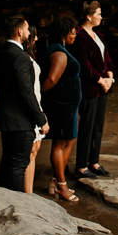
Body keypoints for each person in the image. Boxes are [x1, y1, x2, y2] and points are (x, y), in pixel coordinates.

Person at [0, 14, 49, 192]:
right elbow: (26, 93)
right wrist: (41, 120)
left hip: (6, 120)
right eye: (26, 29)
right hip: (20, 122)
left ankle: (4, 201)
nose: (27, 32)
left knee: (8, 165)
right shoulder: (21, 58)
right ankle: (17, 210)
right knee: (17, 168)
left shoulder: (2, 53)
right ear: (19, 32)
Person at [40, 16, 82, 203]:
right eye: (73, 31)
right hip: (61, 106)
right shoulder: (59, 53)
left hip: (69, 106)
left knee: (70, 140)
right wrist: (37, 97)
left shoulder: (61, 50)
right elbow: (50, 80)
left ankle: (57, 180)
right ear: (64, 33)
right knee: (60, 143)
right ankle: (61, 186)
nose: (75, 34)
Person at [73, 1, 114, 181]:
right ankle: (81, 166)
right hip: (90, 88)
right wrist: (101, 80)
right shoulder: (79, 36)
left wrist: (110, 79)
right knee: (87, 127)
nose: (101, 17)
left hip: (102, 87)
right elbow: (84, 65)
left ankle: (94, 162)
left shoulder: (98, 35)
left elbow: (107, 60)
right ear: (89, 16)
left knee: (98, 126)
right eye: (98, 13)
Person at [23, 26, 45, 195]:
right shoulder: (23, 58)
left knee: (35, 150)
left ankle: (29, 193)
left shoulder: (29, 57)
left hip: (37, 104)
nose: (36, 40)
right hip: (31, 109)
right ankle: (27, 193)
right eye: (34, 36)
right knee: (30, 151)